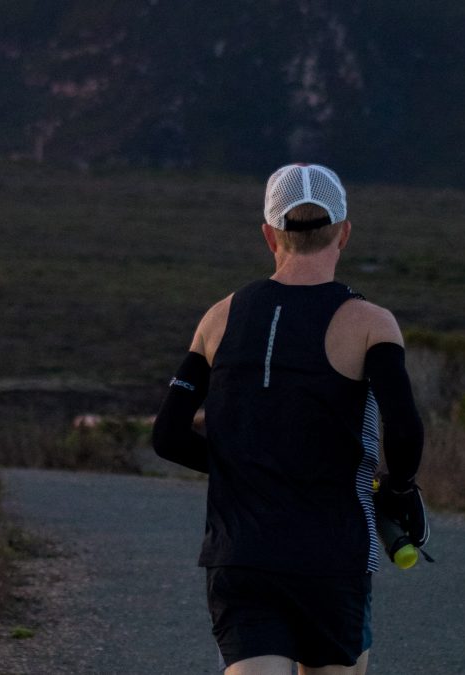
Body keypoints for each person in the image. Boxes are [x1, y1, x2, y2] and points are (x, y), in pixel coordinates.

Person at [151, 163, 426, 675]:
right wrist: (399, 490)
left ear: (269, 235)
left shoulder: (218, 317)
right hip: (334, 553)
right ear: (344, 232)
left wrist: (243, 468)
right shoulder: (371, 323)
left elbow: (167, 436)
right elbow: (405, 431)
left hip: (241, 554)